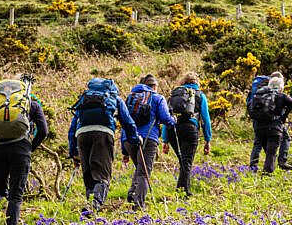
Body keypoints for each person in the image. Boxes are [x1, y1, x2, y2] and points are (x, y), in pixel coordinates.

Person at [0, 75, 48, 225]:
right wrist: (30, 147)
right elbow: (43, 131)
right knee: (15, 195)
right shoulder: (32, 105)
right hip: (21, 150)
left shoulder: (0, 106)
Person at [68, 77, 140, 213]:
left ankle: (90, 206)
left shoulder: (84, 99)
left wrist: (73, 152)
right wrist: (135, 139)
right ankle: (94, 206)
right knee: (102, 174)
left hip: (82, 135)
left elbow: (72, 128)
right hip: (103, 134)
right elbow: (128, 122)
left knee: (88, 173)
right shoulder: (115, 98)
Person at [122, 74, 175, 210]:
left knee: (140, 167)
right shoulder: (157, 98)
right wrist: (173, 120)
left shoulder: (130, 98)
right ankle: (139, 205)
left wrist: (124, 150)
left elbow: (124, 121)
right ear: (154, 86)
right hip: (148, 138)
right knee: (144, 172)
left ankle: (133, 192)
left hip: (129, 139)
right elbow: (165, 118)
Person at [162, 72, 212, 196]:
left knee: (183, 161)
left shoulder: (174, 95)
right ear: (197, 83)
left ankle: (182, 189)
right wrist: (207, 139)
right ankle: (183, 192)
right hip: (190, 129)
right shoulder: (200, 95)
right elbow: (205, 120)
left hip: (173, 129)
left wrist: (165, 140)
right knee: (186, 161)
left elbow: (166, 116)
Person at [248, 75, 292, 174]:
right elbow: (291, 102)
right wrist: (283, 116)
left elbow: (249, 106)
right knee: (271, 153)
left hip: (259, 127)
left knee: (267, 151)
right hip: (274, 127)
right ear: (281, 87)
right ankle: (267, 174)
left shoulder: (259, 94)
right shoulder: (281, 96)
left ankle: (255, 167)